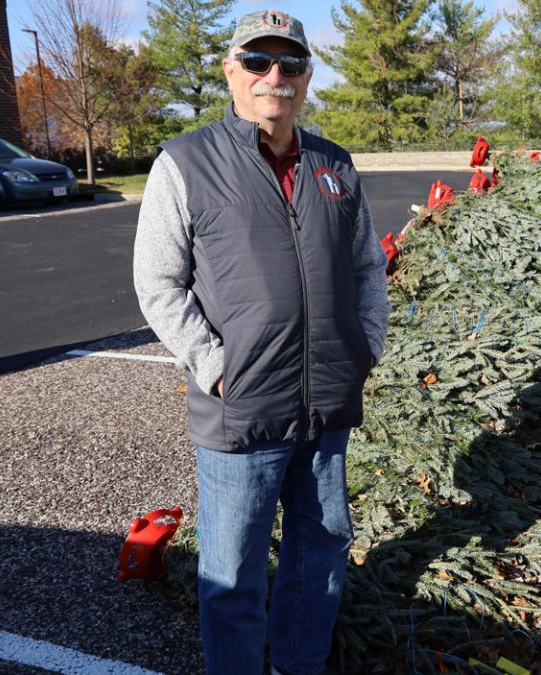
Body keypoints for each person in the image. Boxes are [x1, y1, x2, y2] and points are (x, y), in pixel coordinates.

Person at [132, 9, 390, 675]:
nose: (275, 76)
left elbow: (366, 266)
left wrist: (367, 346)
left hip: (328, 403)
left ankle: (298, 665)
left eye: (291, 64)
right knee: (233, 572)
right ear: (232, 70)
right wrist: (217, 366)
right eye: (258, 61)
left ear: (306, 77)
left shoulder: (334, 164)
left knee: (321, 550)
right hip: (242, 411)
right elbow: (158, 283)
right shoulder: (186, 163)